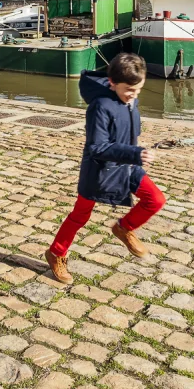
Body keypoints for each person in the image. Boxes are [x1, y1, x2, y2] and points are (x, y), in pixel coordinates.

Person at [45, 53, 166, 285]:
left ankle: (124, 228)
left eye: (138, 90)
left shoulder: (131, 99)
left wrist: (136, 152)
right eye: (130, 90)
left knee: (156, 200)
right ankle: (56, 253)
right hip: (100, 170)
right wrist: (135, 153)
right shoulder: (100, 106)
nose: (134, 95)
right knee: (80, 215)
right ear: (112, 83)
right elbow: (96, 147)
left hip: (128, 166)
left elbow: (129, 130)